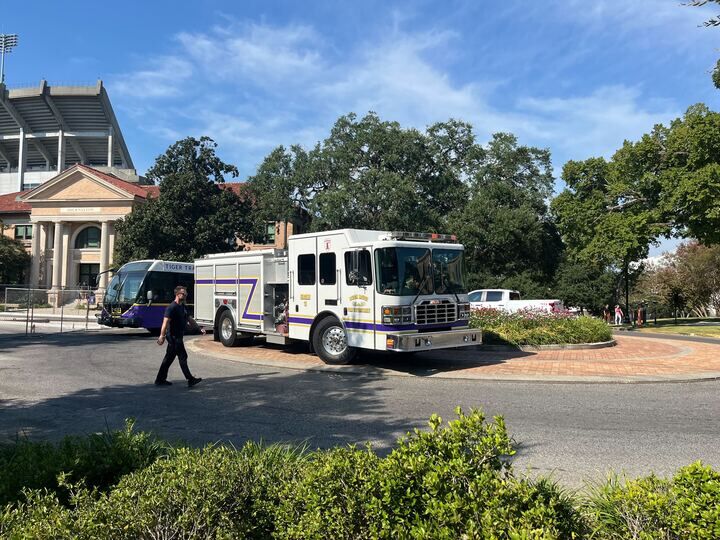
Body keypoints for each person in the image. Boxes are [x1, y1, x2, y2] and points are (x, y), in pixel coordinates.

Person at [155, 285, 205, 387]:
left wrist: (198, 328)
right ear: (178, 294)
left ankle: (160, 379)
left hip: (178, 336)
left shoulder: (182, 306)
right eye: (183, 293)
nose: (186, 295)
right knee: (183, 356)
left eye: (186, 293)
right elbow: (165, 323)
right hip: (173, 337)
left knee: (169, 358)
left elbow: (189, 319)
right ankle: (190, 379)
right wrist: (162, 336)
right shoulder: (171, 307)